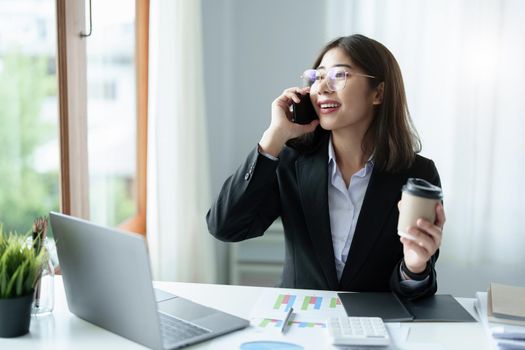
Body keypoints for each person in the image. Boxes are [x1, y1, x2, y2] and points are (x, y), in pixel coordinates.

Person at [206, 34, 445, 299]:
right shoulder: (290, 161)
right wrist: (274, 137)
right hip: (301, 321)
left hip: (376, 327)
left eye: (339, 76)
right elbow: (225, 227)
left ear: (378, 93)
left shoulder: (418, 174)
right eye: (318, 77)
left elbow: (418, 292)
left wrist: (414, 266)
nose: (322, 87)